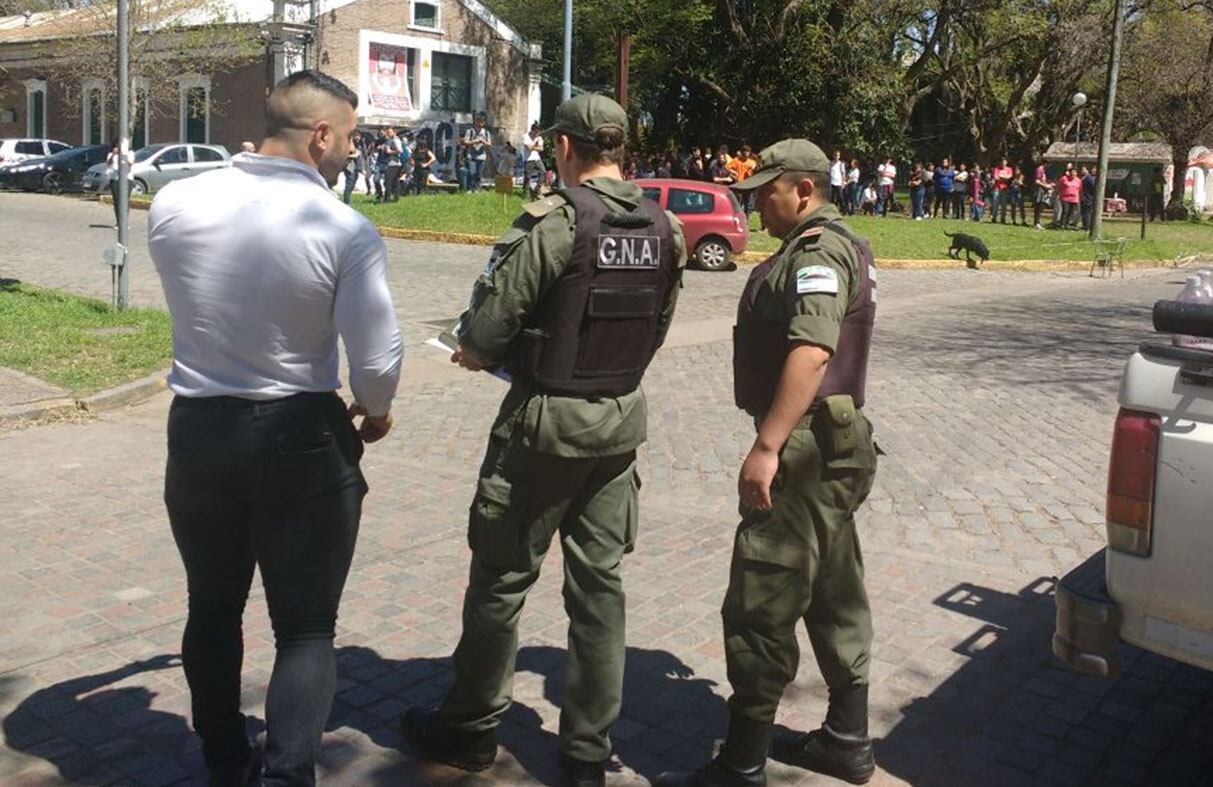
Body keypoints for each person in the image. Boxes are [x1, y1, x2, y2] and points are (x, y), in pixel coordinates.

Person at [400, 93, 686, 787]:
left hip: (543, 425)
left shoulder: (556, 223)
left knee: (500, 579)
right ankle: (587, 750)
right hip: (618, 422)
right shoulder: (665, 226)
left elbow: (490, 325)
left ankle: (468, 729)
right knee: (599, 588)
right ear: (618, 149)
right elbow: (657, 327)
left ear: (564, 148)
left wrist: (472, 349)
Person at [146, 69, 403, 786]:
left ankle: (224, 753)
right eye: (349, 138)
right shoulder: (341, 226)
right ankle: (288, 774)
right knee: (305, 625)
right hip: (297, 431)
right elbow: (376, 358)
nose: (352, 152)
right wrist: (376, 409)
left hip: (198, 427)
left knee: (212, 603)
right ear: (319, 134)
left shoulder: (174, 201)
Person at [655, 138, 878, 787]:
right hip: (827, 446)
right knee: (833, 587)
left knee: (763, 591)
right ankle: (845, 738)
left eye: (766, 192)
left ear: (803, 189)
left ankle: (741, 762)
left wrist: (768, 446)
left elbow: (811, 349)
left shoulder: (819, 251)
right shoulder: (828, 246)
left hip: (805, 449)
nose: (754, 206)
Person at [105, 142, 134, 228]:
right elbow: (108, 163)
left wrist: (123, 155)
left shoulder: (130, 153)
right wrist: (114, 154)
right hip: (115, 179)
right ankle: (118, 222)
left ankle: (125, 222)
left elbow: (130, 163)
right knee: (117, 201)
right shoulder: (111, 154)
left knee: (125, 200)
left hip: (126, 179)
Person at [462, 114, 492, 190]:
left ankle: (476, 189)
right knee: (471, 173)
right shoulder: (470, 131)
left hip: (481, 156)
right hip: (471, 155)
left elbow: (489, 144)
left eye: (482, 122)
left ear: (484, 123)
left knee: (478, 174)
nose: (480, 123)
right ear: (476, 122)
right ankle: (469, 188)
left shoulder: (486, 133)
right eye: (478, 121)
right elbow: (465, 142)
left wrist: (483, 142)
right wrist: (474, 141)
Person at [521, 121, 546, 198]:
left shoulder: (539, 138)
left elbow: (541, 148)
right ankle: (526, 192)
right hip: (528, 159)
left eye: (538, 132)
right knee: (528, 177)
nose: (537, 133)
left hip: (537, 158)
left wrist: (535, 148)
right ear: (532, 130)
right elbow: (529, 148)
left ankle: (537, 188)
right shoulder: (525, 136)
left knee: (543, 171)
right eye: (536, 131)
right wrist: (535, 142)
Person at [1056, 164, 1081, 229]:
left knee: (1071, 212)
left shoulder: (1078, 180)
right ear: (1069, 173)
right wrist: (1057, 194)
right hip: (1065, 198)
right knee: (1065, 211)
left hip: (1074, 198)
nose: (1073, 174)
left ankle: (1066, 224)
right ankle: (1062, 224)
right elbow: (1058, 187)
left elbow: (1080, 190)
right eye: (1072, 172)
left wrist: (1081, 197)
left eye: (1075, 172)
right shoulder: (1064, 178)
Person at [382, 127, 403, 202]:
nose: (388, 134)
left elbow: (400, 151)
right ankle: (396, 198)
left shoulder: (394, 140)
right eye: (387, 132)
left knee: (388, 181)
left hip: (393, 163)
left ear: (394, 132)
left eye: (390, 132)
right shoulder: (392, 140)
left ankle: (387, 199)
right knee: (395, 181)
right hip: (395, 163)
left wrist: (390, 151)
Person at [991, 158, 1013, 224]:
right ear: (1000, 163)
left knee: (1004, 204)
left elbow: (1009, 177)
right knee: (995, 203)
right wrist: (1004, 178)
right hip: (997, 188)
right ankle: (994, 218)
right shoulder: (996, 169)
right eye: (1002, 163)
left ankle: (1003, 219)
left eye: (1004, 163)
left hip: (1004, 189)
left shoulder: (1009, 169)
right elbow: (996, 177)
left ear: (1006, 163)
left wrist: (1001, 177)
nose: (1003, 164)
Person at [1032, 161, 1053, 230]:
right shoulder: (1039, 169)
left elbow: (1043, 180)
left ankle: (1037, 222)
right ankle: (1036, 223)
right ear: (1045, 163)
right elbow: (1037, 181)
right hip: (1039, 190)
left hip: (1043, 190)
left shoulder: (1043, 170)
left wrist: (1049, 184)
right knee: (1039, 206)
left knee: (1041, 206)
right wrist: (1046, 186)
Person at [1080, 165, 1097, 231]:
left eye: (1083, 169)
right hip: (1084, 197)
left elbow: (1093, 188)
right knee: (1084, 213)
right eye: (1081, 169)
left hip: (1088, 198)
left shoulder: (1088, 178)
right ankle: (1085, 225)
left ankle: (1087, 226)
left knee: (1087, 213)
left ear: (1087, 170)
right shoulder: (1084, 178)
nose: (1082, 171)